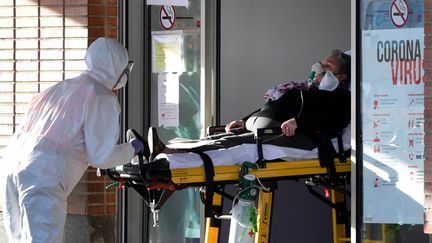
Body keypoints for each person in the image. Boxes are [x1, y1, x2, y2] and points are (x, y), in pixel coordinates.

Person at [0, 37, 147, 243]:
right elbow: (100, 157)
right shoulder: (100, 95)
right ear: (116, 68)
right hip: (43, 175)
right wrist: (133, 149)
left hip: (11, 164)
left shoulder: (60, 88)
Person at [144, 49, 351, 169]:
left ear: (341, 77)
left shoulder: (340, 97)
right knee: (220, 139)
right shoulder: (304, 88)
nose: (321, 68)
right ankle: (169, 149)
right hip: (266, 127)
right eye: (322, 63)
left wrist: (300, 122)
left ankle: (172, 160)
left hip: (296, 137)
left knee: (232, 147)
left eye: (328, 67)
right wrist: (245, 119)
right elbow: (274, 104)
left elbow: (335, 120)